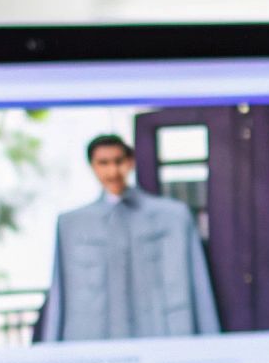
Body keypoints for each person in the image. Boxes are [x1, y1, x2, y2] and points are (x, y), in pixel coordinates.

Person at [36, 134, 221, 341]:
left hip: (161, 336)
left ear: (130, 162)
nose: (112, 171)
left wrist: (210, 343)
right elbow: (60, 294)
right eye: (103, 163)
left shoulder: (173, 217)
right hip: (96, 341)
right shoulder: (72, 224)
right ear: (92, 166)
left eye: (118, 161)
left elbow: (198, 285)